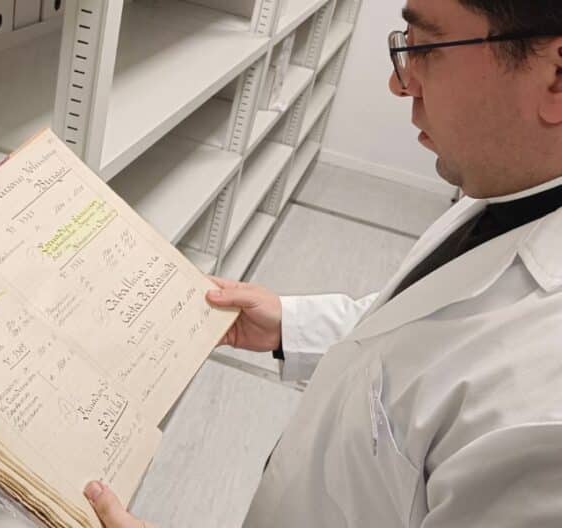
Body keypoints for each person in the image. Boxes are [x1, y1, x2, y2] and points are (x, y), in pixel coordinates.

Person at [84, 0, 562, 526]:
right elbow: (416, 335)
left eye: (426, 48)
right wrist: (289, 325)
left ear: (556, 76)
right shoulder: (510, 189)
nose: (399, 84)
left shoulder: (546, 416)